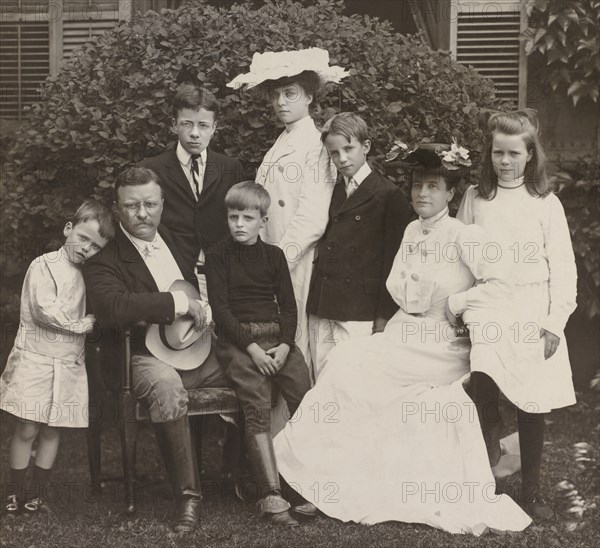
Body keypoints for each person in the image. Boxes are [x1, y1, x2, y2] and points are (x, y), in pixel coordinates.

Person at [273, 145, 533, 534]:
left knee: (364, 372)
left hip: (441, 341)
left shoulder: (465, 236)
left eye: (433, 186)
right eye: (416, 186)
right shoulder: (412, 230)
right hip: (403, 331)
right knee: (345, 363)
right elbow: (400, 290)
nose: (422, 194)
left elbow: (502, 282)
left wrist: (459, 303)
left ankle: (342, 484)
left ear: (450, 194)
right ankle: (327, 481)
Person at [82, 166, 231, 533]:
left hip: (192, 349)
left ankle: (257, 479)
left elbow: (199, 289)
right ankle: (189, 498)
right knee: (167, 386)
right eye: (132, 206)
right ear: (117, 210)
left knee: (250, 368)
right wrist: (178, 304)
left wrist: (206, 310)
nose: (142, 214)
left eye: (150, 204)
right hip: (138, 356)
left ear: (163, 204)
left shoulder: (177, 240)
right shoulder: (105, 257)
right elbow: (115, 307)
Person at [457, 110, 577, 521]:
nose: (504, 161)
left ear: (529, 156)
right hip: (490, 306)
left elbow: (563, 269)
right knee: (484, 390)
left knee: (532, 400)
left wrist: (553, 323)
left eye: (513, 153)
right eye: (497, 153)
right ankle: (486, 478)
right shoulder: (475, 198)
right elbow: (458, 257)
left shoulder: (546, 204)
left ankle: (532, 489)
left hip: (531, 308)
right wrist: (459, 306)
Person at [227, 48, 347, 372]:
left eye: (290, 93)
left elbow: (312, 218)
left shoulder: (317, 144)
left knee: (295, 341)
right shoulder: (279, 143)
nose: (281, 102)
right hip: (268, 259)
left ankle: (300, 418)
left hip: (294, 260)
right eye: (276, 94)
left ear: (309, 96)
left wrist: (276, 263)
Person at [205, 182, 311, 527]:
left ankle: (312, 486)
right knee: (256, 403)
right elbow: (220, 311)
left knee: (306, 398)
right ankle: (271, 494)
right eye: (233, 216)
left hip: (276, 338)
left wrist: (284, 346)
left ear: (262, 221)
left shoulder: (274, 256)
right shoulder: (218, 255)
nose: (239, 224)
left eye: (247, 218)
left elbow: (289, 309)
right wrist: (253, 351)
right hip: (238, 342)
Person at [1, 200, 115, 517]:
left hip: (67, 363)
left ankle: (35, 496)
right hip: (36, 360)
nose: (86, 249)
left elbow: (102, 306)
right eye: (83, 238)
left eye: (96, 246)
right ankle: (16, 495)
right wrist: (83, 324)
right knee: (27, 427)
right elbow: (44, 311)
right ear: (69, 228)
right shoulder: (44, 265)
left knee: (53, 430)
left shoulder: (89, 275)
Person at [307, 112, 411, 377]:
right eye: (333, 153)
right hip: (323, 303)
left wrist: (383, 316)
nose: (342, 159)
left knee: (353, 380)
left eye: (348, 149)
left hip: (359, 310)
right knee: (321, 379)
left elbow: (394, 261)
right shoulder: (330, 189)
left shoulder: (388, 195)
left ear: (366, 147)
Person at [140, 83, 246, 296]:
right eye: (187, 124)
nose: (195, 133)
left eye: (203, 125)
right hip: (172, 276)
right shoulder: (152, 169)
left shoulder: (231, 168)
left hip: (224, 274)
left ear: (214, 127)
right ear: (174, 124)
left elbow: (240, 220)